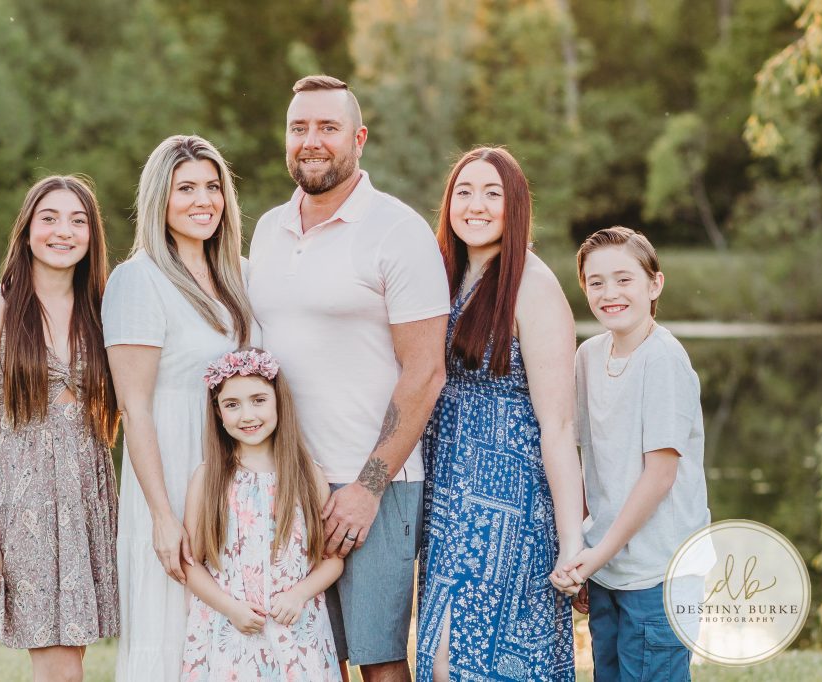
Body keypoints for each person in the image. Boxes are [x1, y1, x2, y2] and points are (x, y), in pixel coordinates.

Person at [248, 74, 449, 681]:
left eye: (328, 128)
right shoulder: (267, 230)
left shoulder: (397, 230)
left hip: (375, 484)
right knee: (305, 655)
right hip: (285, 482)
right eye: (299, 127)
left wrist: (367, 487)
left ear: (358, 138)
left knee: (378, 658)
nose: (312, 141)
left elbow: (426, 370)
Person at [416, 147, 582, 682]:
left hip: (509, 508)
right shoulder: (443, 276)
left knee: (486, 664)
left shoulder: (532, 285)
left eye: (493, 193)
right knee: (441, 657)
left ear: (515, 206)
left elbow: (558, 425)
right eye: (464, 192)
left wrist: (572, 538)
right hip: (447, 501)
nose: (476, 205)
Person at [101, 135, 257, 680]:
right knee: (171, 633)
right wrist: (163, 517)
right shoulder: (137, 280)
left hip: (238, 481)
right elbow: (134, 408)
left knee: (234, 638)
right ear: (158, 200)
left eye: (213, 186)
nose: (203, 200)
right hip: (169, 473)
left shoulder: (241, 272)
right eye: (185, 187)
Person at [0, 175, 120, 682]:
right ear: (26, 228)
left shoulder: (105, 308)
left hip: (90, 495)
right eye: (49, 218)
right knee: (60, 667)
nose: (63, 231)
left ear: (92, 234)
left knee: (69, 657)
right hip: (25, 503)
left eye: (77, 220)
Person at [550, 226, 711, 681]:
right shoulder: (588, 356)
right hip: (608, 566)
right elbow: (583, 458)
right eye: (596, 282)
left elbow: (659, 477)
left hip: (660, 571)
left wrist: (595, 557)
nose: (609, 293)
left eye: (624, 279)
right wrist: (585, 551)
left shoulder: (663, 360)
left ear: (654, 284)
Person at [180, 348, 343, 680]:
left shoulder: (307, 475)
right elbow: (191, 563)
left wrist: (299, 594)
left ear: (278, 402)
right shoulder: (209, 478)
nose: (246, 415)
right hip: (231, 633)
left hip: (297, 633)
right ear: (218, 412)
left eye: (258, 400)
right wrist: (230, 609)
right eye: (232, 405)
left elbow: (332, 558)